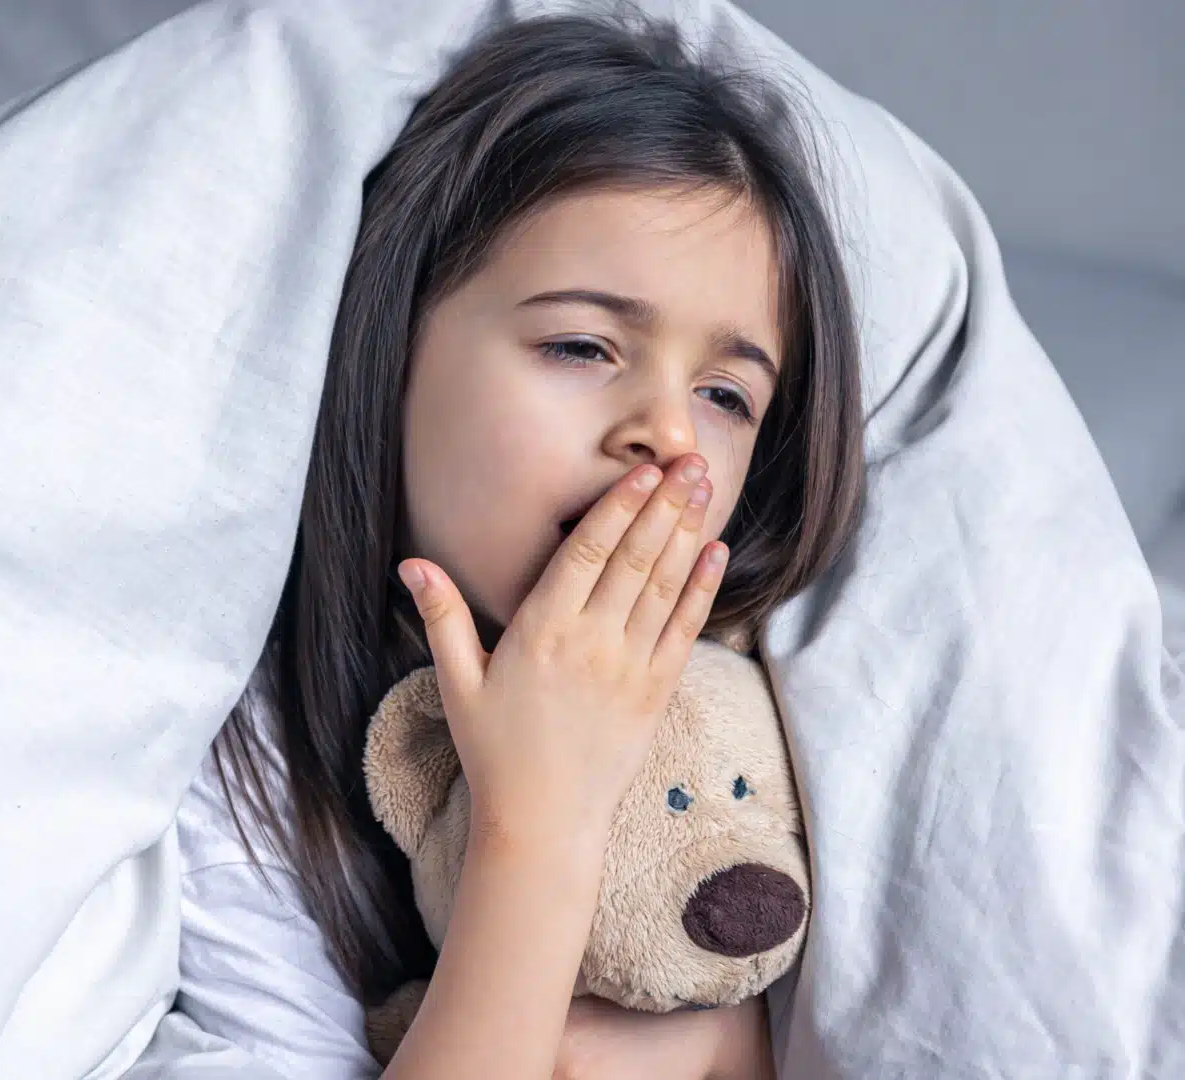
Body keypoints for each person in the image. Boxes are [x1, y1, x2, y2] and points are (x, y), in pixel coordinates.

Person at [167, 11, 866, 1080]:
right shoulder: (239, 762)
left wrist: (720, 1037)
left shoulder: (780, 697)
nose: (670, 433)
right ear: (391, 342)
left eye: (726, 394)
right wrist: (536, 817)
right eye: (583, 345)